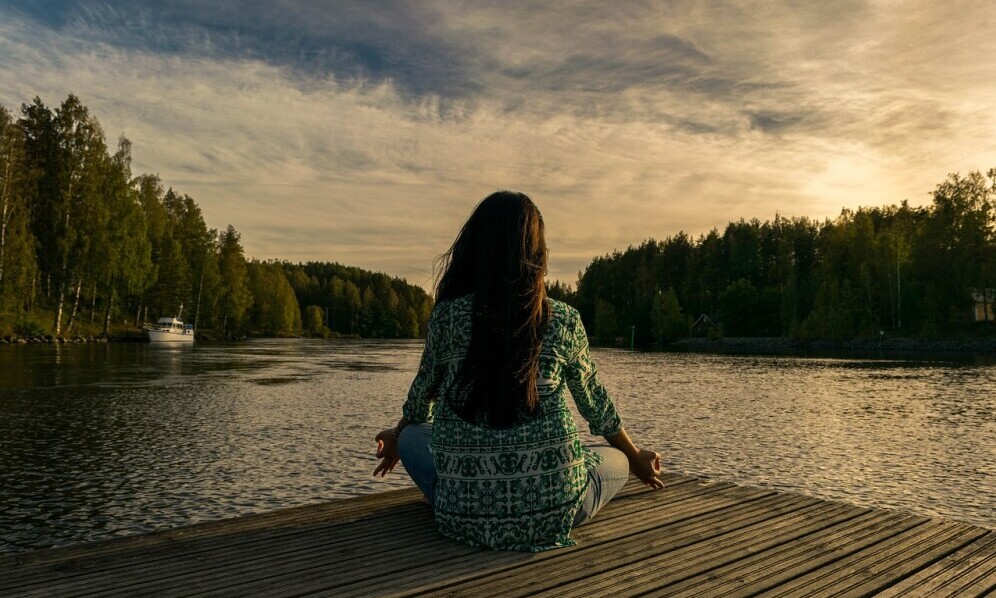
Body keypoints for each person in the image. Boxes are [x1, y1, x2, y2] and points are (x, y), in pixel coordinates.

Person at [373, 190, 663, 552]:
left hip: (462, 517)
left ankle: (457, 497)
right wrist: (635, 457)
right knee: (615, 458)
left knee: (414, 436)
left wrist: (398, 435)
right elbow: (596, 406)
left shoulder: (447, 317)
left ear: (475, 249)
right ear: (537, 254)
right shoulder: (564, 319)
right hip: (555, 512)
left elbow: (420, 399)